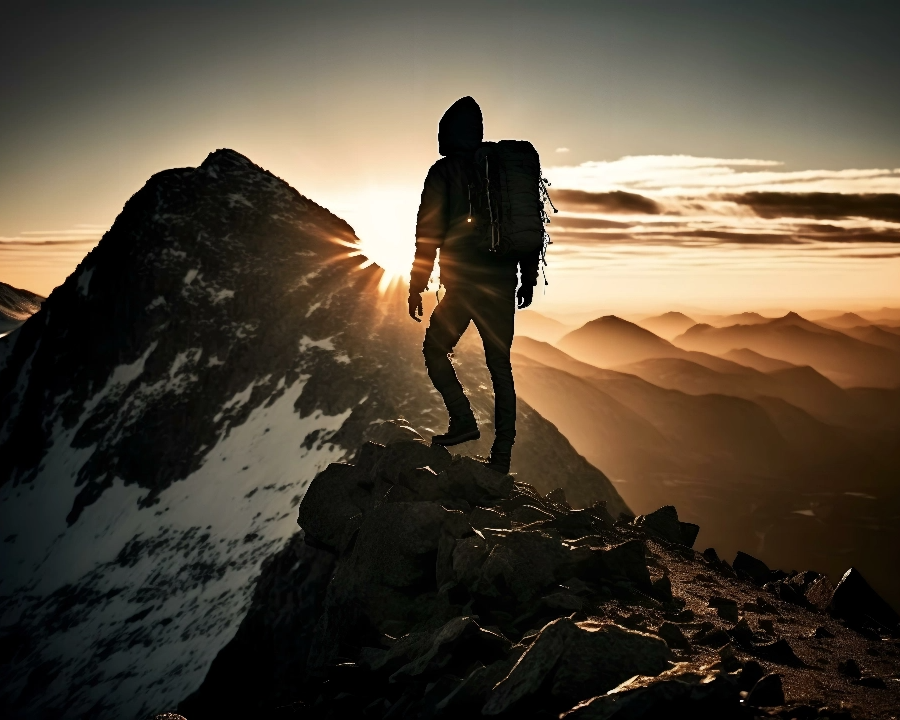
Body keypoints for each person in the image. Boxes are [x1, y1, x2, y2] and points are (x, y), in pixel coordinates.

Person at [408, 96, 540, 474]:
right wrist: (527, 278)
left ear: (447, 134)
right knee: (500, 367)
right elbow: (527, 228)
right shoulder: (500, 173)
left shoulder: (443, 172)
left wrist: (417, 285)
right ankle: (501, 458)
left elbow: (427, 234)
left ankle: (463, 420)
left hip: (463, 286)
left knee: (436, 350)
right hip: (502, 285)